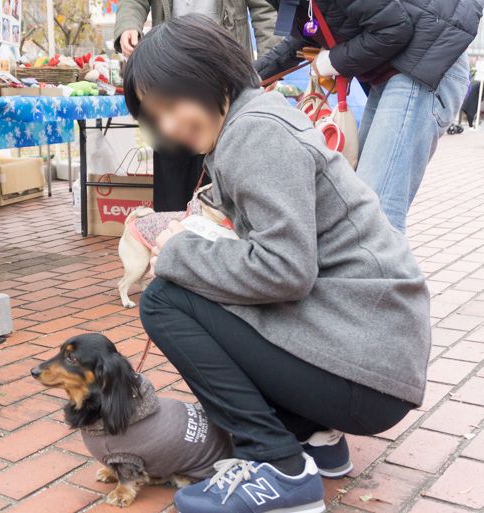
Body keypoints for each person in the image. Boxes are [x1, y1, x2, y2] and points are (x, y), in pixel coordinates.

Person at [125, 15, 431, 513]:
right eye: (156, 118)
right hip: (372, 356)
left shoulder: (255, 134)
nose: (170, 126)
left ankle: (277, 466)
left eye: (172, 105)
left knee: (165, 299)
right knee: (205, 287)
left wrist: (179, 253)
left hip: (367, 368)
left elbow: (285, 270)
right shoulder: (254, 120)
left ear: (210, 76)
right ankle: (315, 439)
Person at [254, 0, 482, 233]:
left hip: (426, 62)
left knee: (375, 216)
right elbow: (311, 30)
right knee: (361, 205)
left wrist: (332, 61)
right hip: (395, 66)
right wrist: (248, 77)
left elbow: (394, 28)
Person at [113, 0, 282, 212]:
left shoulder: (269, 133)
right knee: (172, 173)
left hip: (221, 71)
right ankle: (174, 224)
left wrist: (272, 59)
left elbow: (264, 7)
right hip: (164, 67)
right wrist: (128, 24)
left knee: (222, 167)